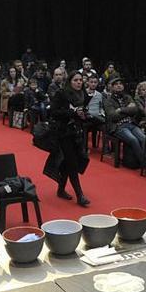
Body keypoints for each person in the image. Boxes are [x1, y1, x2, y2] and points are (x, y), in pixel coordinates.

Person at [44, 71, 90, 206]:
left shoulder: (83, 94)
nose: (79, 82)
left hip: (76, 132)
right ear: (70, 81)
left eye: (80, 80)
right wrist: (72, 113)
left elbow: (83, 110)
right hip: (63, 133)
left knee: (66, 164)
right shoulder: (61, 93)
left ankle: (60, 189)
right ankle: (80, 195)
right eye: (75, 80)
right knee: (72, 164)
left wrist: (83, 115)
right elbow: (53, 112)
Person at [103, 76, 146, 168]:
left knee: (143, 138)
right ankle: (145, 163)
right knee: (133, 140)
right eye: (116, 84)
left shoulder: (128, 97)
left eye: (120, 84)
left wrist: (121, 109)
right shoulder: (108, 100)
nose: (119, 86)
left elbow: (135, 110)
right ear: (112, 87)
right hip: (118, 126)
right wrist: (128, 110)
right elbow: (113, 116)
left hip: (131, 123)